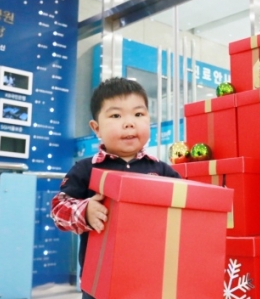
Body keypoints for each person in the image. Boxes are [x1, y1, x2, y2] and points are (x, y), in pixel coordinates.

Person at [50, 77, 180, 299]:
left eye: (138, 114)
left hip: (152, 277)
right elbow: (58, 209)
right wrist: (85, 211)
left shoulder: (162, 171)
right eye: (116, 115)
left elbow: (186, 209)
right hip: (100, 281)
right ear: (96, 128)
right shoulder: (86, 169)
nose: (129, 123)